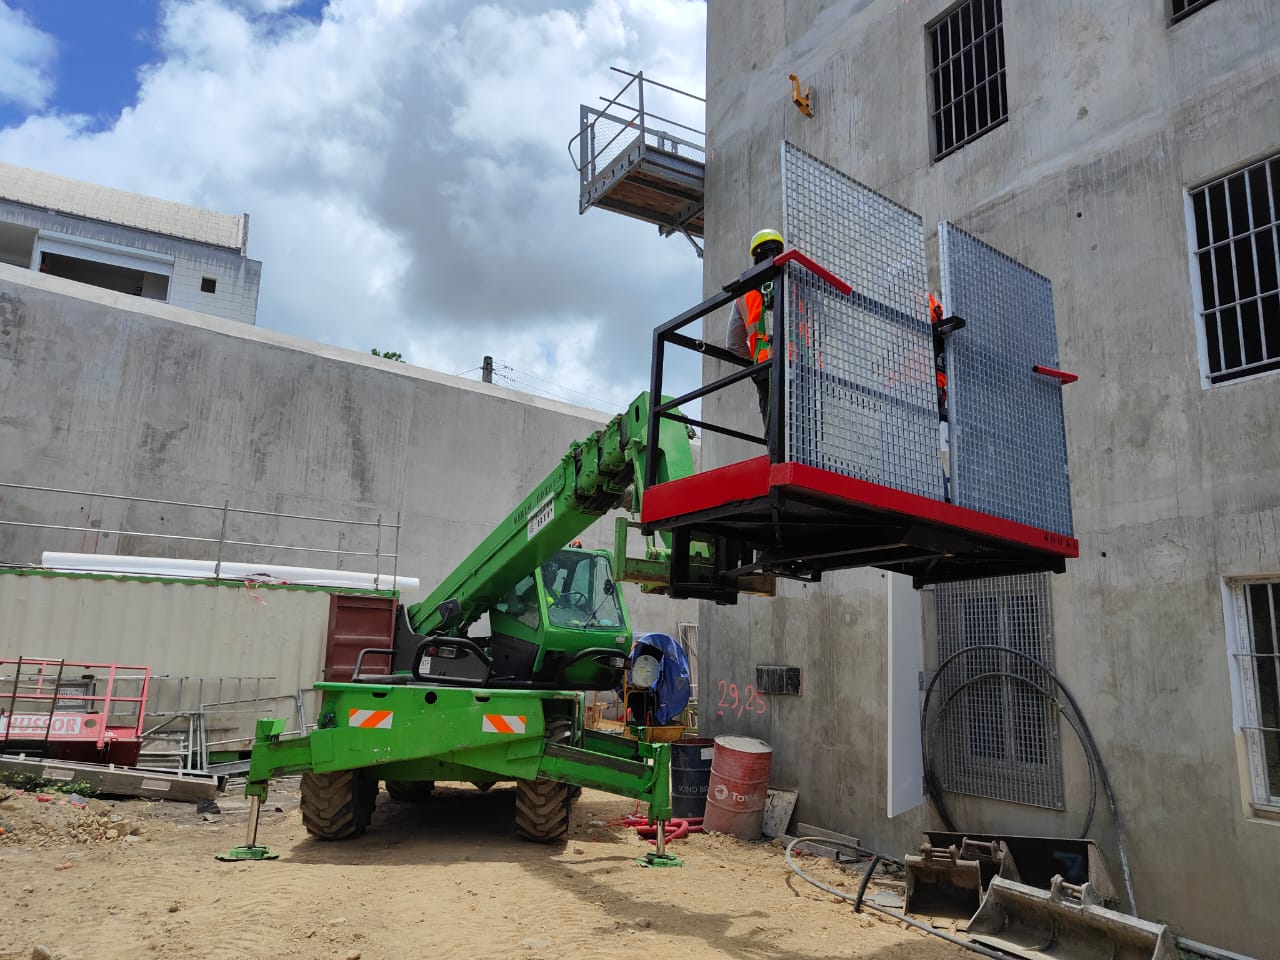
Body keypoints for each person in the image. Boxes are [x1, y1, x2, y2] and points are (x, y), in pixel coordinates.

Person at [726, 228, 786, 448]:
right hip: (800, 366)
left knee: (775, 428)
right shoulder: (797, 283)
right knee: (803, 424)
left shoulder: (745, 293)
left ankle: (776, 461)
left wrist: (756, 355)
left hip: (765, 368)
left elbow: (733, 344)